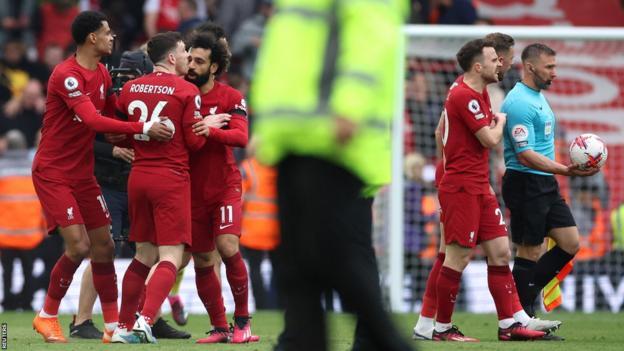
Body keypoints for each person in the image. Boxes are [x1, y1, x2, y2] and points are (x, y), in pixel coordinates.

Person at [251, 1, 412, 350]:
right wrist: (269, 128)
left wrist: (350, 105)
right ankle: (301, 341)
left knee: (339, 259)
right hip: (292, 138)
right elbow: (290, 57)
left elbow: (369, 38)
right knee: (297, 267)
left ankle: (382, 340)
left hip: (332, 140)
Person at [31, 10, 172, 344]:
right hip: (53, 173)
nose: (113, 38)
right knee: (78, 246)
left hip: (82, 175)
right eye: (108, 32)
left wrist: (145, 134)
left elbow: (112, 124)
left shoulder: (105, 77)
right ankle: (47, 316)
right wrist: (144, 127)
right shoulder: (66, 75)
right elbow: (94, 122)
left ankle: (112, 325)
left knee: (104, 247)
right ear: (92, 37)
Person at [412, 33, 561, 341]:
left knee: (499, 250)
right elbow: (491, 140)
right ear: (479, 66)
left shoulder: (474, 91)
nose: (501, 64)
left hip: (478, 184)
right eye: (496, 60)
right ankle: (439, 327)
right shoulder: (464, 95)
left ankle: (511, 321)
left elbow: (441, 131)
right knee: (455, 257)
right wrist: (500, 121)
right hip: (463, 186)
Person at [110, 31, 205, 344]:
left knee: (142, 256)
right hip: (170, 178)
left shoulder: (131, 88)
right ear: (172, 57)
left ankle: (123, 326)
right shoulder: (186, 90)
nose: (188, 58)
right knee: (171, 257)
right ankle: (145, 322)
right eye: (183, 52)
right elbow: (194, 143)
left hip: (138, 176)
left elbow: (118, 132)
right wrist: (210, 125)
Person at [501, 43, 599, 318]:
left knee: (570, 243)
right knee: (530, 251)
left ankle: (523, 300)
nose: (555, 73)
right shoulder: (519, 102)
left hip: (545, 183)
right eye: (550, 67)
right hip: (526, 182)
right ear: (530, 67)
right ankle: (519, 318)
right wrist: (566, 170)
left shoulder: (537, 95)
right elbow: (525, 155)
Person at [178, 32, 255, 344]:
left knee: (227, 248)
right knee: (202, 260)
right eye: (190, 59)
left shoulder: (231, 97)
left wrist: (207, 132)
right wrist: (208, 126)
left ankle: (243, 321)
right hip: (190, 190)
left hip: (224, 186)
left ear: (214, 67)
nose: (192, 66)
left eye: (199, 61)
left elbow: (240, 137)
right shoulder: (180, 95)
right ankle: (220, 327)